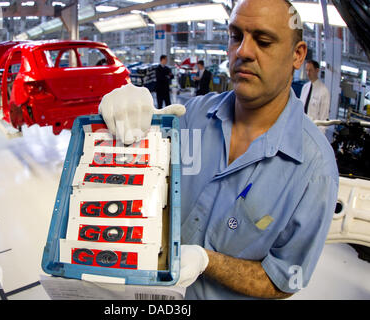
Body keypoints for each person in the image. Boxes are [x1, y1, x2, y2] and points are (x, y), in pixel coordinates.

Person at [98, 0, 338, 300]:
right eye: (236, 36)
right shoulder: (192, 116)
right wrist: (121, 121)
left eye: (263, 41)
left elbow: (283, 280)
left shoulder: (314, 169)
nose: (243, 52)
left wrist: (207, 262)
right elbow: (131, 182)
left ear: (297, 55)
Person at [300, 60, 331, 133]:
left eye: (310, 70)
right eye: (306, 70)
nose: (308, 73)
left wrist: (318, 139)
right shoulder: (305, 87)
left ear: (317, 70)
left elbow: (323, 120)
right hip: (300, 128)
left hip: (312, 131)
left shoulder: (324, 91)